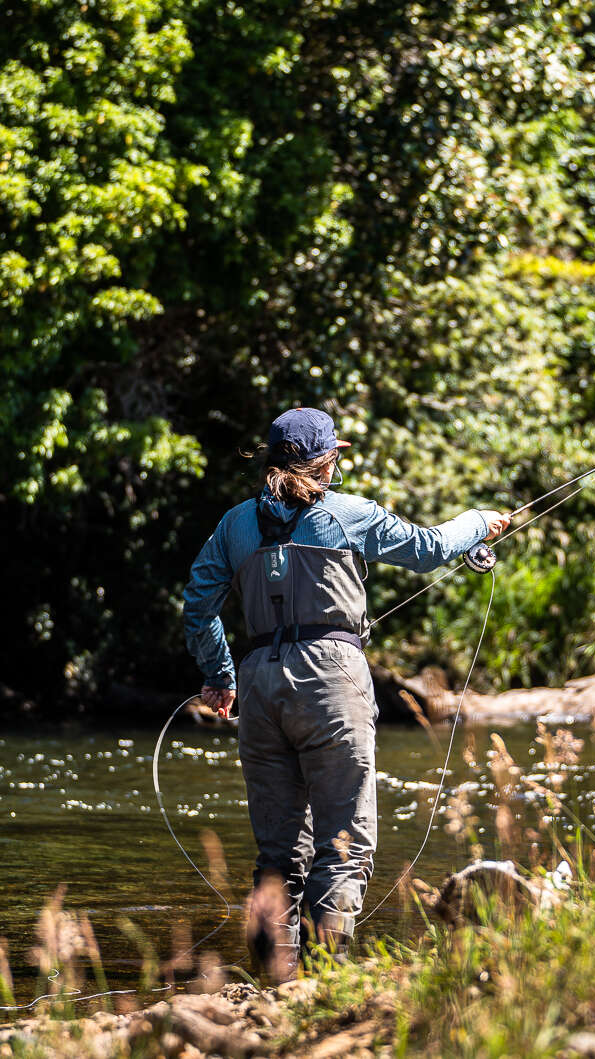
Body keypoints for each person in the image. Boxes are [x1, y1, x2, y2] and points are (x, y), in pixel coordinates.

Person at [181, 407, 510, 975]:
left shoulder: (235, 524)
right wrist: (479, 522)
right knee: (343, 843)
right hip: (331, 680)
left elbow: (198, 606)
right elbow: (430, 548)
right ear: (327, 462)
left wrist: (221, 675)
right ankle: (323, 981)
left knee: (277, 853)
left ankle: (271, 981)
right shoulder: (348, 514)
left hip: (259, 684)